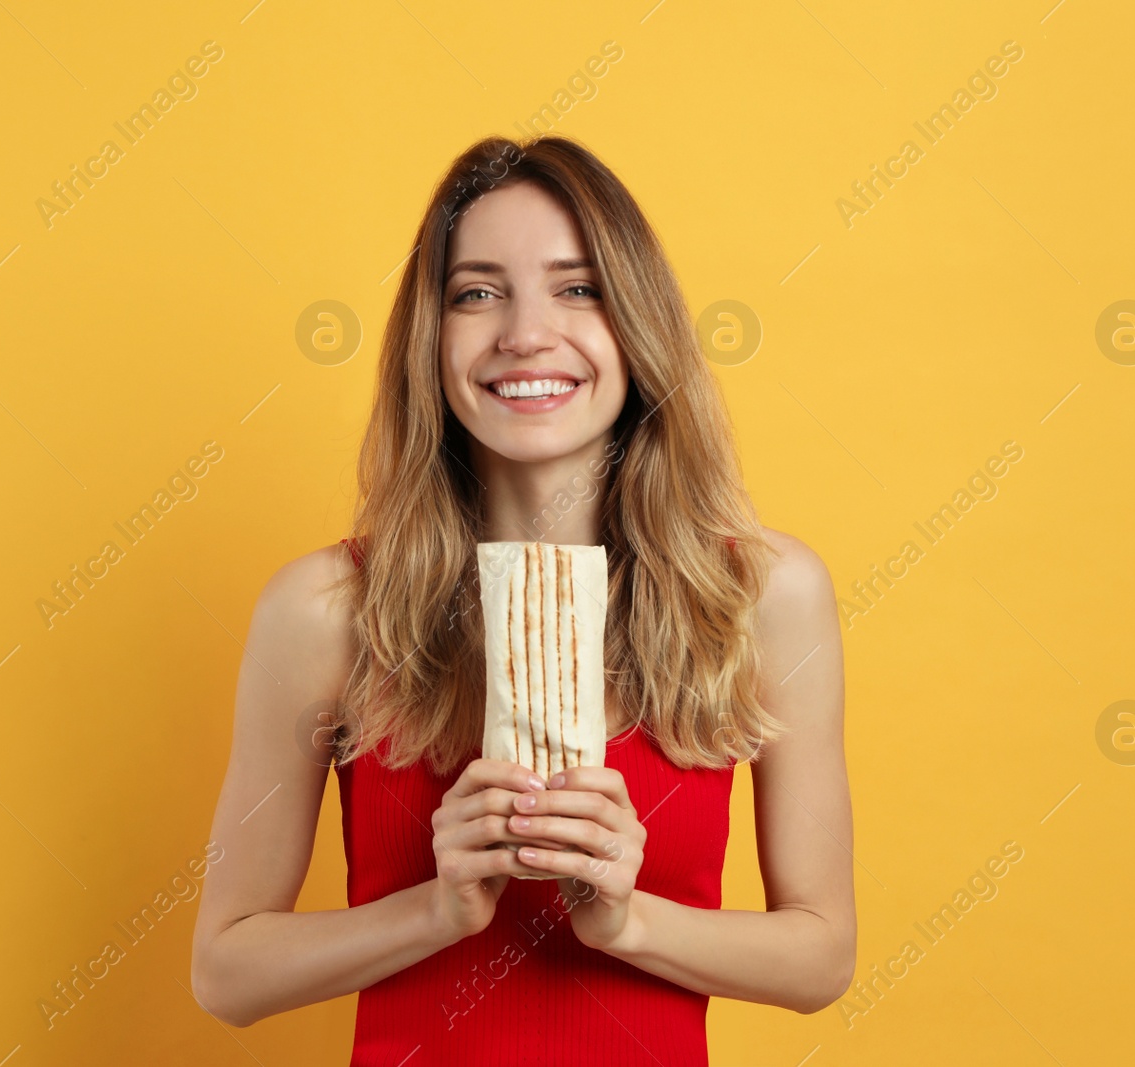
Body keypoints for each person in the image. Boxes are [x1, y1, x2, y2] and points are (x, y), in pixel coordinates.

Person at [190, 134, 855, 1064]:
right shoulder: (326, 610)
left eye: (577, 287)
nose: (525, 333)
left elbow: (821, 954)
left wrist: (626, 920)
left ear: (638, 324)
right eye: (477, 292)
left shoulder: (760, 594)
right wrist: (436, 907)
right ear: (431, 334)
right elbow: (226, 971)